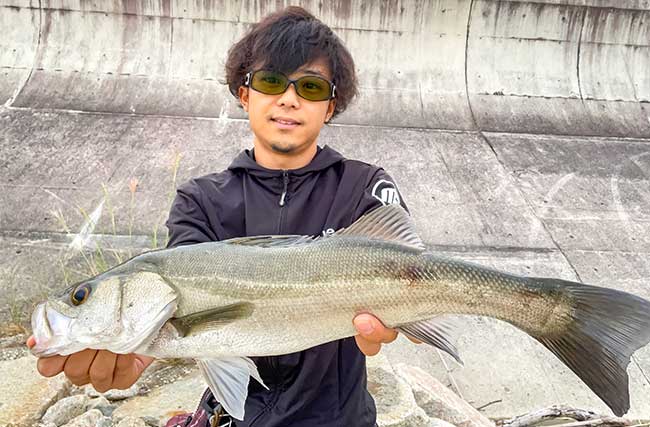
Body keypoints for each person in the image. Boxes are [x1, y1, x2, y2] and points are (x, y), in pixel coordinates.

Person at [34, 6, 413, 426]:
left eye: (310, 86)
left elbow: (409, 273)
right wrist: (147, 346)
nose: (289, 98)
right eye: (271, 81)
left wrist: (399, 321)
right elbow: (188, 300)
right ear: (244, 93)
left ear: (330, 105)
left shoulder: (363, 186)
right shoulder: (201, 200)